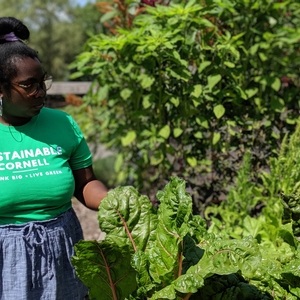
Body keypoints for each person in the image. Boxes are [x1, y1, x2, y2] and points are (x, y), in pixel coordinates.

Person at [0, 17, 108, 299]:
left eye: (43, 81)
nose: (41, 93)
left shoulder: (62, 123)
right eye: (28, 85)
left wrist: (116, 204)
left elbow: (86, 184)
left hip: (63, 248)